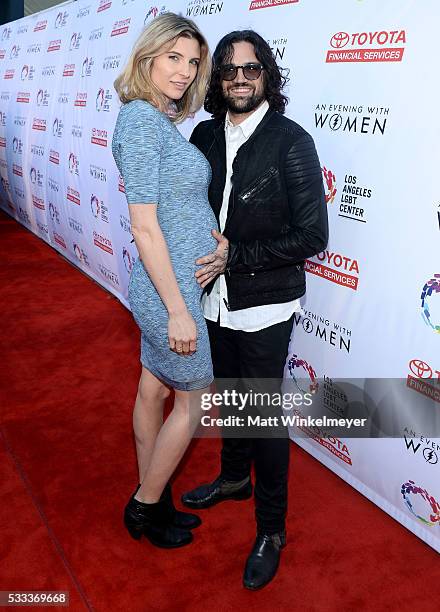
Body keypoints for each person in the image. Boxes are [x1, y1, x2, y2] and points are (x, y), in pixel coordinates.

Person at [181, 30, 329, 587]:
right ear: (216, 78)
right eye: (228, 69)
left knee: (264, 418)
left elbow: (313, 234)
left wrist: (235, 258)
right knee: (228, 394)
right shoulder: (202, 135)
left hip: (264, 302)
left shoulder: (291, 141)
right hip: (211, 297)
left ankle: (271, 528)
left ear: (266, 74)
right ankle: (233, 478)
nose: (239, 78)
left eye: (251, 69)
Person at [112, 13, 218, 549]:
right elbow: (145, 226)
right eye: (173, 57)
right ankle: (144, 507)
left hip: (178, 285)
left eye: (192, 61)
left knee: (153, 388)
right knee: (195, 401)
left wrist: (215, 242)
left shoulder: (157, 122)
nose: (183, 71)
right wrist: (178, 309)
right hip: (168, 294)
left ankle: (153, 496)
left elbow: (180, 209)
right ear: (148, 57)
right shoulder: (138, 121)